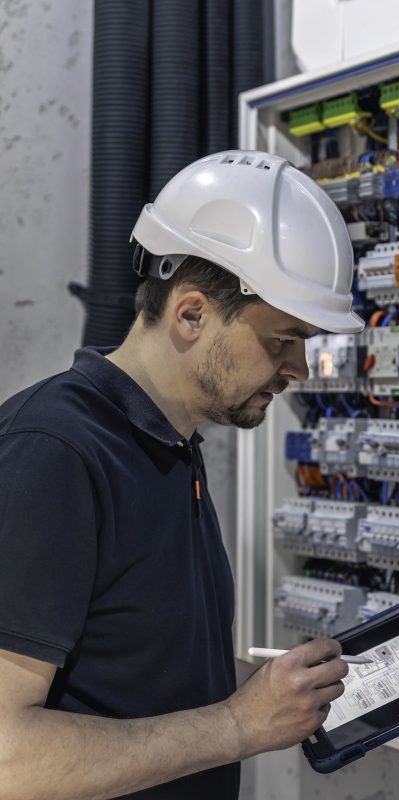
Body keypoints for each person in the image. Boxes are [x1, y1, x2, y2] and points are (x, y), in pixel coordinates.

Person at [0, 150, 365, 799]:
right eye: (282, 340)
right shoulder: (54, 452)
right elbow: (8, 758)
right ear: (191, 314)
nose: (300, 369)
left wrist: (269, 700)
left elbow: (133, 680)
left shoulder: (171, 447)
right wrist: (238, 725)